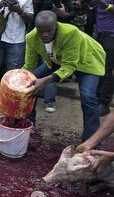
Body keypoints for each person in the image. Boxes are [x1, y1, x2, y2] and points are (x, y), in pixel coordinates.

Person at [24, 11, 106, 141]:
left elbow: (69, 66)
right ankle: (27, 124)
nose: (44, 35)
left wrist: (46, 80)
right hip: (58, 59)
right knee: (28, 83)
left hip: (87, 61)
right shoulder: (31, 37)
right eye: (41, 31)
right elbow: (29, 66)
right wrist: (19, 78)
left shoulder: (70, 32)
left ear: (56, 26)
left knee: (88, 96)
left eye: (49, 31)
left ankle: (91, 141)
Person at [30, 0, 75, 113]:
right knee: (37, 67)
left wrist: (62, 14)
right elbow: (31, 16)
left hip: (57, 38)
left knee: (51, 67)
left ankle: (50, 101)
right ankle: (31, 99)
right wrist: (34, 3)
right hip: (38, 36)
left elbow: (71, 14)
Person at [89, 0, 114, 117]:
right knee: (97, 67)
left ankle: (104, 103)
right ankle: (97, 98)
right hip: (98, 33)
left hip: (111, 35)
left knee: (107, 70)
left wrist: (103, 4)